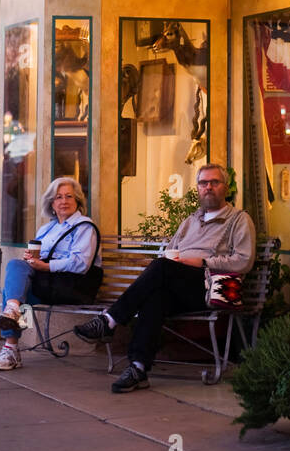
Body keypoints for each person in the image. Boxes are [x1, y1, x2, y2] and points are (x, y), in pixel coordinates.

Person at [73, 163, 256, 393]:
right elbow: (170, 251)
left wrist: (202, 262)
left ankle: (110, 320)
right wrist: (177, 262)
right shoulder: (191, 220)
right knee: (155, 297)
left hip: (209, 287)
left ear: (226, 188)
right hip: (179, 285)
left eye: (214, 182)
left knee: (161, 267)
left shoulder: (239, 220)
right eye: (203, 183)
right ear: (198, 189)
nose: (208, 187)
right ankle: (138, 368)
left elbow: (243, 261)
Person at [0, 177, 102, 372]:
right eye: (58, 197)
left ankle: (11, 348)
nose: (63, 201)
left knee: (14, 288)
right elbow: (38, 256)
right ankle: (11, 336)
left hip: (73, 288)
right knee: (15, 291)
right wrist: (32, 259)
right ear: (51, 202)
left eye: (69, 196)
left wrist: (44, 267)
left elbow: (81, 264)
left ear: (77, 201)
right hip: (50, 285)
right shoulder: (47, 228)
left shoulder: (85, 226)